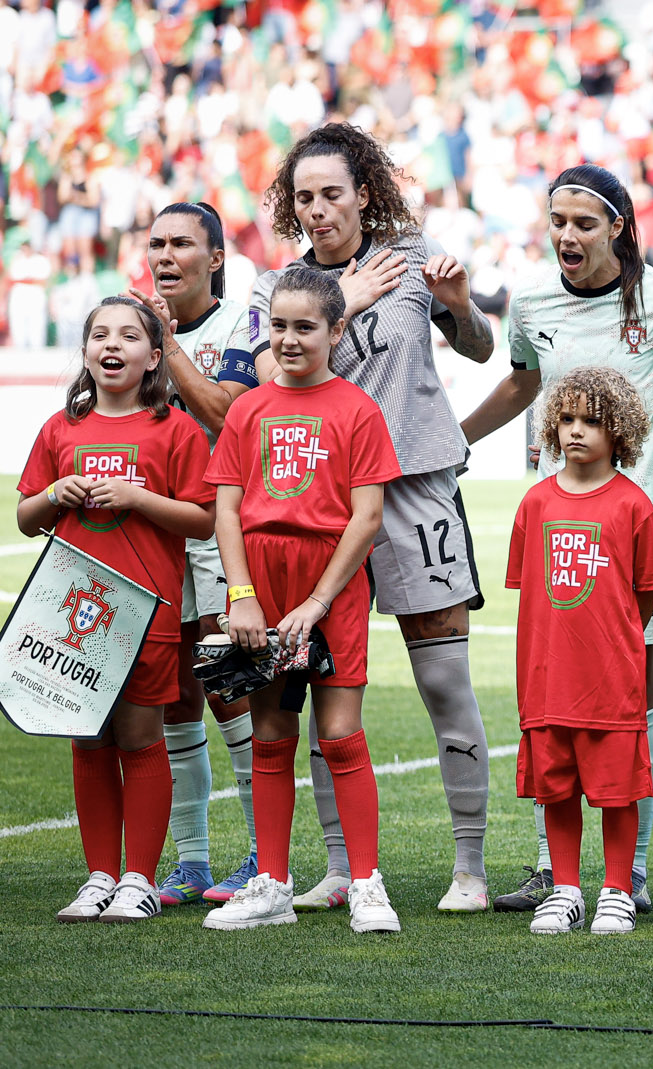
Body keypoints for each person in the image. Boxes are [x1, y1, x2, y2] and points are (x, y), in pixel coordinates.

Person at [251, 124, 498, 916]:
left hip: (418, 485)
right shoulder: (281, 286)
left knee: (443, 677)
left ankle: (470, 866)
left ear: (364, 192)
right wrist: (339, 304)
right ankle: (337, 865)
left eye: (332, 194)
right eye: (304, 198)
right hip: (325, 504)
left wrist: (458, 305)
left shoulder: (413, 256)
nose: (318, 211)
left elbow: (482, 349)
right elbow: (266, 377)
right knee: (325, 680)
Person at [462, 166, 653, 917]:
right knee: (554, 699)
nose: (567, 235)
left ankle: (632, 874)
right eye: (558, 221)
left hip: (633, 522)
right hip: (562, 526)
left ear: (618, 227)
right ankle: (560, 877)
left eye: (584, 223)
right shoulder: (532, 301)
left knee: (629, 704)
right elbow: (525, 383)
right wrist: (457, 437)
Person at [201, 267, 401, 934]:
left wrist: (317, 602)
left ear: (336, 330)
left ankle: (367, 882)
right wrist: (243, 597)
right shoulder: (249, 409)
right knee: (270, 732)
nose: (288, 339)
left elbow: (366, 516)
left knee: (340, 733)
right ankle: (272, 883)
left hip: (330, 588)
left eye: (304, 326)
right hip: (260, 582)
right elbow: (226, 511)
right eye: (278, 326)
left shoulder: (357, 409)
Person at [23, 297, 216, 925]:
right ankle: (99, 875)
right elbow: (27, 517)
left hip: (145, 613)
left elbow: (204, 516)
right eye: (100, 335)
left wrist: (138, 497)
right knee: (87, 739)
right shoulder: (61, 429)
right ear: (85, 353)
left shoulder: (176, 430)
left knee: (139, 738)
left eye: (130, 336)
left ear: (153, 356)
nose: (113, 345)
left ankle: (139, 878)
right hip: (71, 616)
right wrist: (56, 493)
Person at [506, 368, 653, 938]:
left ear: (618, 430)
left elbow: (646, 590)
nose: (577, 431)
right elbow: (531, 588)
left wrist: (616, 635)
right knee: (556, 788)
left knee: (616, 790)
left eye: (593, 421)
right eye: (568, 419)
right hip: (547, 675)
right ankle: (566, 889)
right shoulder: (535, 503)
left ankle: (618, 890)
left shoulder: (633, 504)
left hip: (609, 678)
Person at [138, 202, 262, 908]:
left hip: (220, 524)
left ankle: (259, 852)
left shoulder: (243, 322)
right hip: (156, 525)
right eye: (156, 242)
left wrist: (166, 341)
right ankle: (191, 862)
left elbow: (227, 415)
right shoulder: (131, 327)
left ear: (215, 257)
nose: (165, 254)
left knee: (228, 683)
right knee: (174, 692)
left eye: (181, 242)